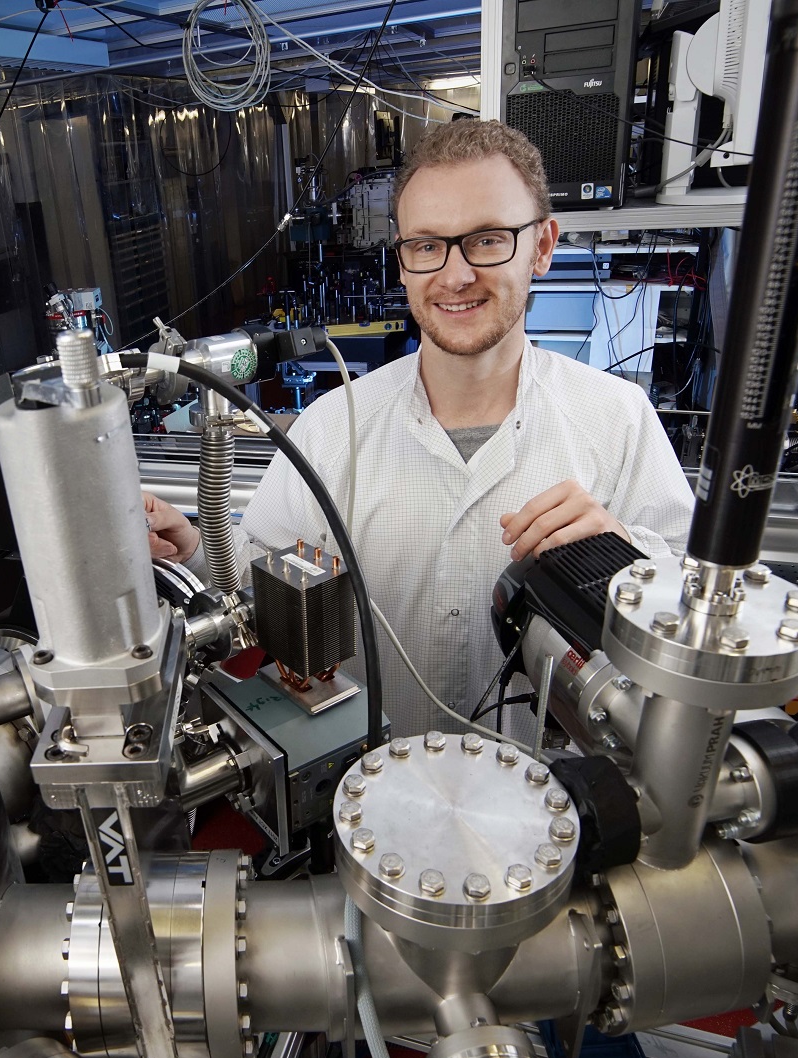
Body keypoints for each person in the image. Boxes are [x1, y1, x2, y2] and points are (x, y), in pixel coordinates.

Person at [146, 119, 693, 735]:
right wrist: (191, 544)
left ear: (543, 246)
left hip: (552, 802)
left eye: (487, 239)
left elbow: (692, 615)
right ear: (402, 261)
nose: (455, 275)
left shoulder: (615, 417)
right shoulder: (333, 424)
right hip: (367, 795)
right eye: (427, 246)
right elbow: (262, 581)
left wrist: (621, 558)